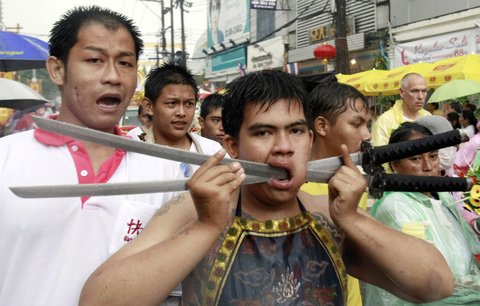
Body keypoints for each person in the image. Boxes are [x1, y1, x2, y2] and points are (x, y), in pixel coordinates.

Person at [80, 70, 453, 306]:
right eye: (263, 132)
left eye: (294, 131)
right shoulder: (197, 209)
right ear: (233, 147)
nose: (283, 147)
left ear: (310, 137)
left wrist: (354, 220)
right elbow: (99, 300)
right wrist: (207, 226)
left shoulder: (329, 216)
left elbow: (435, 285)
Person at [0, 6, 183, 305]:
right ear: (57, 69)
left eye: (125, 63)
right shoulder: (5, 159)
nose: (112, 76)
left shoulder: (166, 172)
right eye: (94, 60)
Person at [365, 121, 480, 305]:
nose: (427, 166)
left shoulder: (442, 196)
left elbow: (467, 248)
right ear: (395, 165)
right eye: (416, 159)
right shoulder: (395, 206)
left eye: (433, 156)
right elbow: (423, 278)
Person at [303, 81, 371, 305]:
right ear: (321, 126)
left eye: (367, 125)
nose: (367, 135)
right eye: (357, 124)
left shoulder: (353, 181)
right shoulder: (294, 187)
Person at [132, 61, 224, 177]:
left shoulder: (213, 151)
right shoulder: (131, 149)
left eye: (189, 104)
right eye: (172, 103)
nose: (181, 113)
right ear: (148, 106)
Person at [371, 73, 431, 147]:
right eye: (414, 91)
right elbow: (380, 154)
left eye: (424, 91)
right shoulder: (384, 121)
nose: (420, 96)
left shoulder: (428, 117)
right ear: (402, 92)